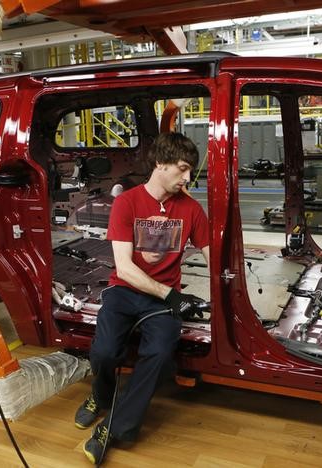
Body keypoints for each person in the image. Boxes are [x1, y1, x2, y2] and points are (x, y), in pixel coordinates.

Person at [75, 132, 210, 465]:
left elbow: (213, 255)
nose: (187, 177)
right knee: (104, 352)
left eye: (190, 171)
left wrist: (229, 287)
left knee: (161, 354)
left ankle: (114, 427)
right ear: (160, 163)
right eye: (182, 169)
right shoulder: (128, 203)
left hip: (163, 302)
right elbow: (124, 267)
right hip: (126, 290)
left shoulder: (191, 210)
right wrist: (173, 297)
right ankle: (100, 395)